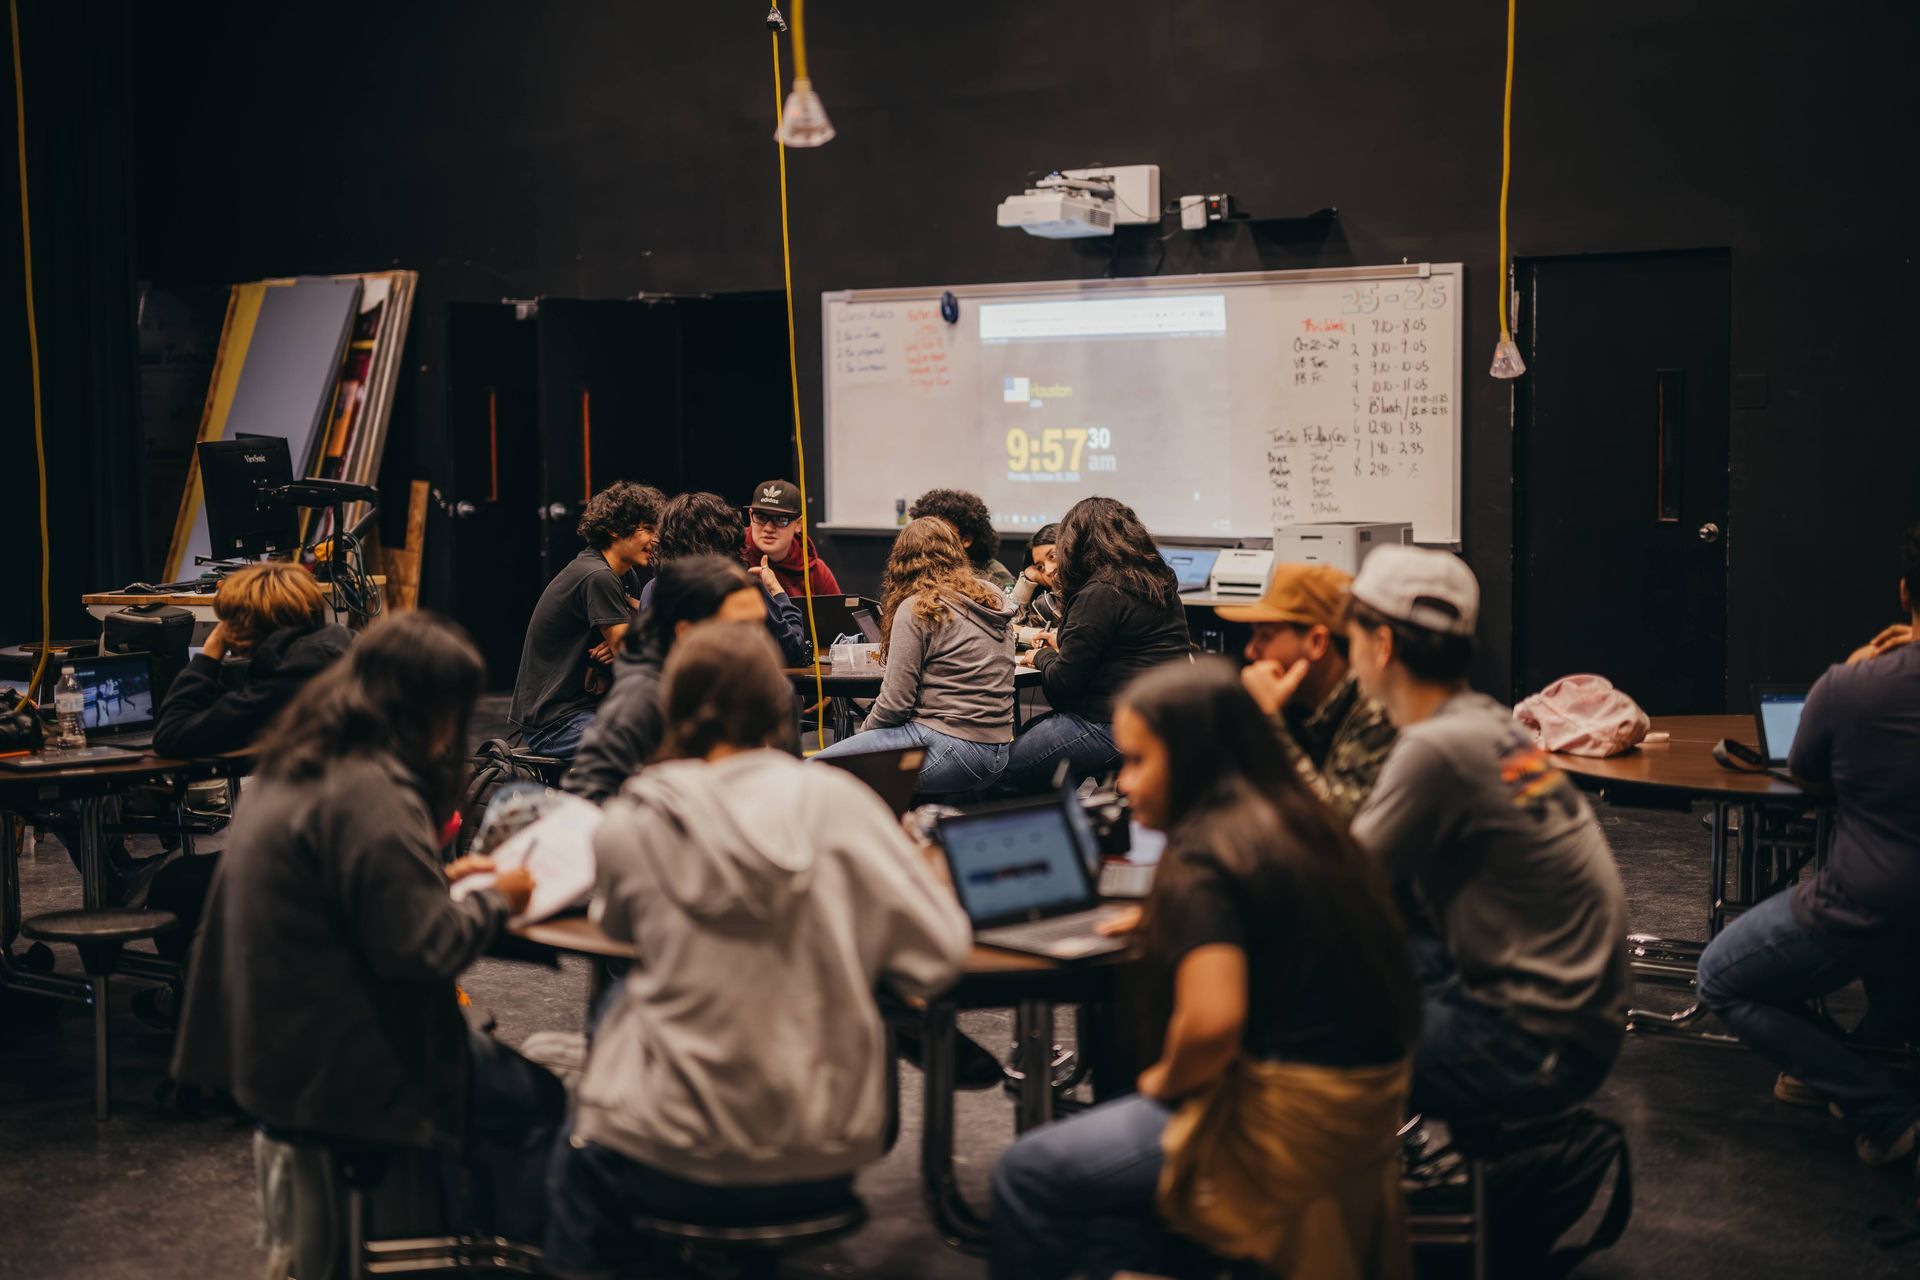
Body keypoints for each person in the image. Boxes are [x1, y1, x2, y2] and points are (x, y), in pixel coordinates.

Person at [545, 622, 970, 1276]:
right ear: (781, 705)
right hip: (820, 1150)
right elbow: (939, 957)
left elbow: (621, 933)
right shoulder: (842, 802)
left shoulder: (637, 816)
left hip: (669, 1148)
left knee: (572, 1146)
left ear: (673, 706)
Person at [991, 660, 1421, 1280]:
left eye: (1140, 762)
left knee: (1026, 1174)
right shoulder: (1292, 819)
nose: (1124, 783)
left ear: (1194, 758)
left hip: (1283, 1115)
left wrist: (1162, 1084)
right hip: (1363, 1104)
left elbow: (1213, 1024)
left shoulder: (1204, 859)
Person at [172, 613, 564, 1251]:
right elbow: (423, 950)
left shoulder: (306, 759)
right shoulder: (374, 790)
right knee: (539, 1101)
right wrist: (497, 896)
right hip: (343, 1065)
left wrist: (436, 880)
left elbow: (356, 900)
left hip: (270, 1051)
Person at [1345, 546, 1629, 1126]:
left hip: (1535, 1045)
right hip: (1580, 1018)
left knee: (1286, 1033)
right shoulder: (1487, 722)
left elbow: (1335, 885)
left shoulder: (1435, 748)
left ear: (1382, 645)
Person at [1698, 521, 1920, 1167]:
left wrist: (1858, 671)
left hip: (1869, 904)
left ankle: (1880, 1107)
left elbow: (1808, 773)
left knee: (1721, 977)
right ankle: (1875, 1045)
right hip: (1894, 911)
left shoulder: (1854, 686)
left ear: (1905, 593)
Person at [811, 517, 1016, 795]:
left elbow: (895, 704)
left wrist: (867, 732)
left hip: (951, 745)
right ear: (956, 553)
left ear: (901, 562)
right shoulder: (991, 599)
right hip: (998, 752)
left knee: (814, 772)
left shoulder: (917, 607)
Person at [1003, 496, 1191, 790]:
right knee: (1033, 736)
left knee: (1005, 769)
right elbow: (1123, 646)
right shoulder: (1156, 580)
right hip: (1165, 717)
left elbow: (1063, 686)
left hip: (1113, 722)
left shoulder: (1099, 593)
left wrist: (1040, 657)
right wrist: (1064, 643)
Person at [563, 556, 766, 804]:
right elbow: (585, 798)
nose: (756, 640)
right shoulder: (642, 697)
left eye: (759, 625)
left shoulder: (756, 684)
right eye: (741, 627)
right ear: (686, 632)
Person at [1215, 562, 1396, 823]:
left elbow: (1334, 827)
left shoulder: (1376, 710)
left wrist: (1268, 722)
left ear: (1316, 642)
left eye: (1265, 636)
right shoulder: (1298, 702)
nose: (1251, 651)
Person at [510, 481, 665, 759]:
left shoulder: (622, 575)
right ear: (615, 528)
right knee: (644, 748)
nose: (656, 539)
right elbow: (633, 654)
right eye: (647, 529)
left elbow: (623, 643)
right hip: (556, 722)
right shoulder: (598, 576)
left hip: (588, 708)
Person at [153, 561, 353, 757]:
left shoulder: (293, 676)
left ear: (243, 625)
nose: (225, 629)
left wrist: (211, 651)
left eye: (228, 621)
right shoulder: (340, 644)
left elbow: (171, 734)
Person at [642, 490, 812, 664]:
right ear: (727, 537)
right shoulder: (739, 588)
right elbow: (794, 651)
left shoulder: (653, 588)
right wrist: (778, 593)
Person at [742, 477, 839, 600]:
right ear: (751, 516)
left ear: (799, 524)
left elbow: (839, 618)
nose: (768, 528)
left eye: (781, 520)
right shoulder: (732, 555)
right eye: (761, 517)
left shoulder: (817, 572)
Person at [909, 487, 1016, 588]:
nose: (929, 538)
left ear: (966, 540)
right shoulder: (918, 568)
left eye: (940, 533)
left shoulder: (996, 577)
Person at [1009, 520, 1064, 644]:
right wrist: (1027, 580)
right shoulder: (1046, 603)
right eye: (1040, 567)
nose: (1049, 570)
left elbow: (1072, 638)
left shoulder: (1095, 590)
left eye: (1053, 556)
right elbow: (1007, 626)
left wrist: (1025, 633)